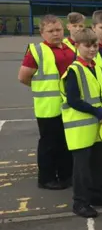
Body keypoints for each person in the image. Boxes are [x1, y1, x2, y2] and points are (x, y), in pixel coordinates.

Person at [60, 28, 102, 218]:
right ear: (77, 46)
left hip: (99, 126)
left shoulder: (97, 68)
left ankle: (97, 196)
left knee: (100, 164)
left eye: (95, 46)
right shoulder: (74, 70)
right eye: (87, 46)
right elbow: (74, 100)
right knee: (82, 168)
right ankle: (80, 202)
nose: (92, 50)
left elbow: (100, 96)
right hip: (81, 128)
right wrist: (98, 112)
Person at [18, 14, 76, 190]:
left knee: (66, 142)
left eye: (58, 29)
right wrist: (41, 88)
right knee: (49, 144)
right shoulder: (36, 51)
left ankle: (66, 175)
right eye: (50, 31)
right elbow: (23, 77)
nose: (56, 34)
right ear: (42, 33)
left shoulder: (70, 46)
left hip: (69, 104)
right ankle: (46, 178)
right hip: (48, 106)